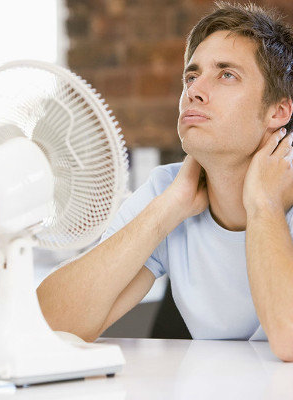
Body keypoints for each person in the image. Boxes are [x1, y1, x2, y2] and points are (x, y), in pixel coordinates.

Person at [37, 1, 293, 361]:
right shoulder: (169, 189)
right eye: (191, 77)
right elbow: (47, 326)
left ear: (278, 111)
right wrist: (169, 209)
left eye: (226, 75)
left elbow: (288, 339)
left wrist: (264, 205)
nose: (195, 91)